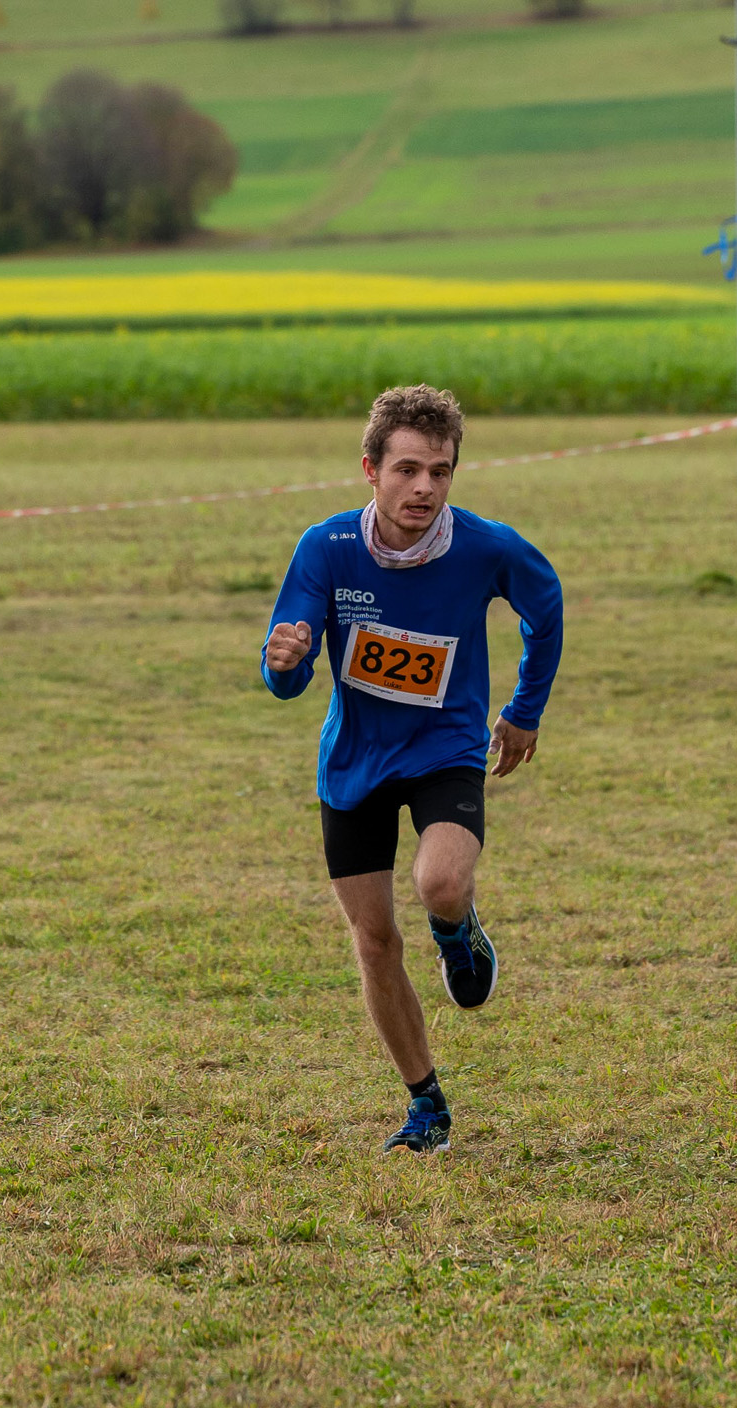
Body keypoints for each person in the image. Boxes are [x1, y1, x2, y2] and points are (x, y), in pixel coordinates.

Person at [262, 384, 563, 1155]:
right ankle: (425, 1104)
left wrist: (524, 710)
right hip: (354, 763)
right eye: (406, 470)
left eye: (440, 470)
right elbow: (287, 670)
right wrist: (284, 663)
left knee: (441, 884)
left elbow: (545, 606)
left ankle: (458, 933)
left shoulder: (486, 548)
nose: (424, 486)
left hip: (446, 750)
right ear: (370, 469)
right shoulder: (325, 547)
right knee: (373, 942)